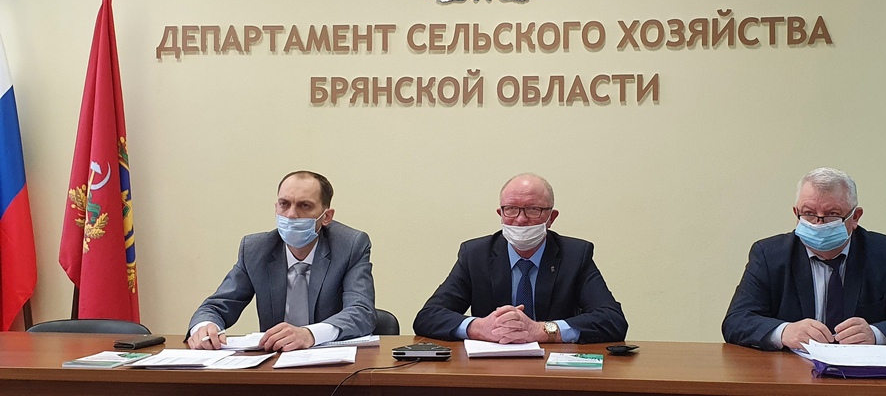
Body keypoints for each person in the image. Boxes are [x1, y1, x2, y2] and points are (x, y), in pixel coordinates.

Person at [722, 167, 886, 350]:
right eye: (808, 213)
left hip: (862, 376)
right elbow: (736, 320)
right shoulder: (769, 254)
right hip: (792, 374)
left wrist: (875, 334)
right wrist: (784, 332)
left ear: (855, 217)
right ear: (796, 213)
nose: (818, 224)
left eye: (832, 214)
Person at [413, 172, 628, 344]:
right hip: (490, 370)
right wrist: (480, 328)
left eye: (533, 210)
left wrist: (541, 330)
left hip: (553, 369)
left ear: (551, 217)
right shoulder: (475, 254)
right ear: (500, 214)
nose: (520, 219)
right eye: (511, 209)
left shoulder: (575, 255)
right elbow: (428, 316)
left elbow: (612, 320)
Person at [186, 170, 376, 351]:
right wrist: (204, 326)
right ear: (276, 208)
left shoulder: (350, 245)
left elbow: (361, 311)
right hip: (274, 362)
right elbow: (217, 306)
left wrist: (309, 334)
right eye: (284, 204)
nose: (291, 214)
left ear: (326, 216)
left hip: (334, 364)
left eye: (304, 205)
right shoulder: (255, 249)